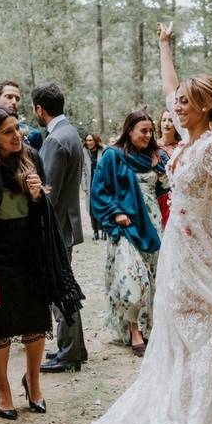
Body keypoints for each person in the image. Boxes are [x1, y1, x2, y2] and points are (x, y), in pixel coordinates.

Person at [89, 22, 212, 424]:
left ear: (206, 108)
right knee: (174, 322)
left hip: (201, 244)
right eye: (178, 103)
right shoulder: (186, 143)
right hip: (176, 243)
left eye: (187, 104)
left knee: (207, 322)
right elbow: (171, 87)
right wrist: (165, 46)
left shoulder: (209, 147)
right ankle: (184, 420)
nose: (177, 108)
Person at [0, 105, 83, 416]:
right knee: (1, 326)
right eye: (8, 132)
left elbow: (43, 207)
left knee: (36, 322)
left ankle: (33, 384)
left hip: (30, 250)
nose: (17, 135)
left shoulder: (32, 156)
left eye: (17, 128)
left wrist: (37, 196)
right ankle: (3, 388)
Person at [91, 111, 168, 355]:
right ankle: (134, 329)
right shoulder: (113, 156)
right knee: (133, 279)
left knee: (153, 278)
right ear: (130, 131)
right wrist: (115, 213)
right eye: (143, 131)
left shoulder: (156, 157)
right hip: (127, 224)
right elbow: (99, 189)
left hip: (153, 224)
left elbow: (165, 187)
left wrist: (164, 171)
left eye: (150, 131)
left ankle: (148, 327)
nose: (148, 135)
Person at [35, 83, 89, 373]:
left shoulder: (55, 140)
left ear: (39, 109)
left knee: (61, 289)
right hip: (66, 224)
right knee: (65, 285)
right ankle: (75, 348)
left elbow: (47, 191)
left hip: (57, 227)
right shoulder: (70, 133)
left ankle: (69, 352)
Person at [157, 109, 179, 227]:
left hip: (176, 198)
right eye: (163, 120)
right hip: (157, 197)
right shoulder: (152, 147)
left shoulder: (181, 147)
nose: (166, 123)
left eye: (171, 120)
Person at [82, 132, 106, 240]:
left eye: (91, 140)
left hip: (102, 183)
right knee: (92, 209)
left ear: (95, 141)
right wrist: (85, 186)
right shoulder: (84, 152)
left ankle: (104, 231)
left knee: (103, 207)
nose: (89, 142)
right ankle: (95, 231)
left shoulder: (103, 151)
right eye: (87, 140)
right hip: (90, 182)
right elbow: (82, 170)